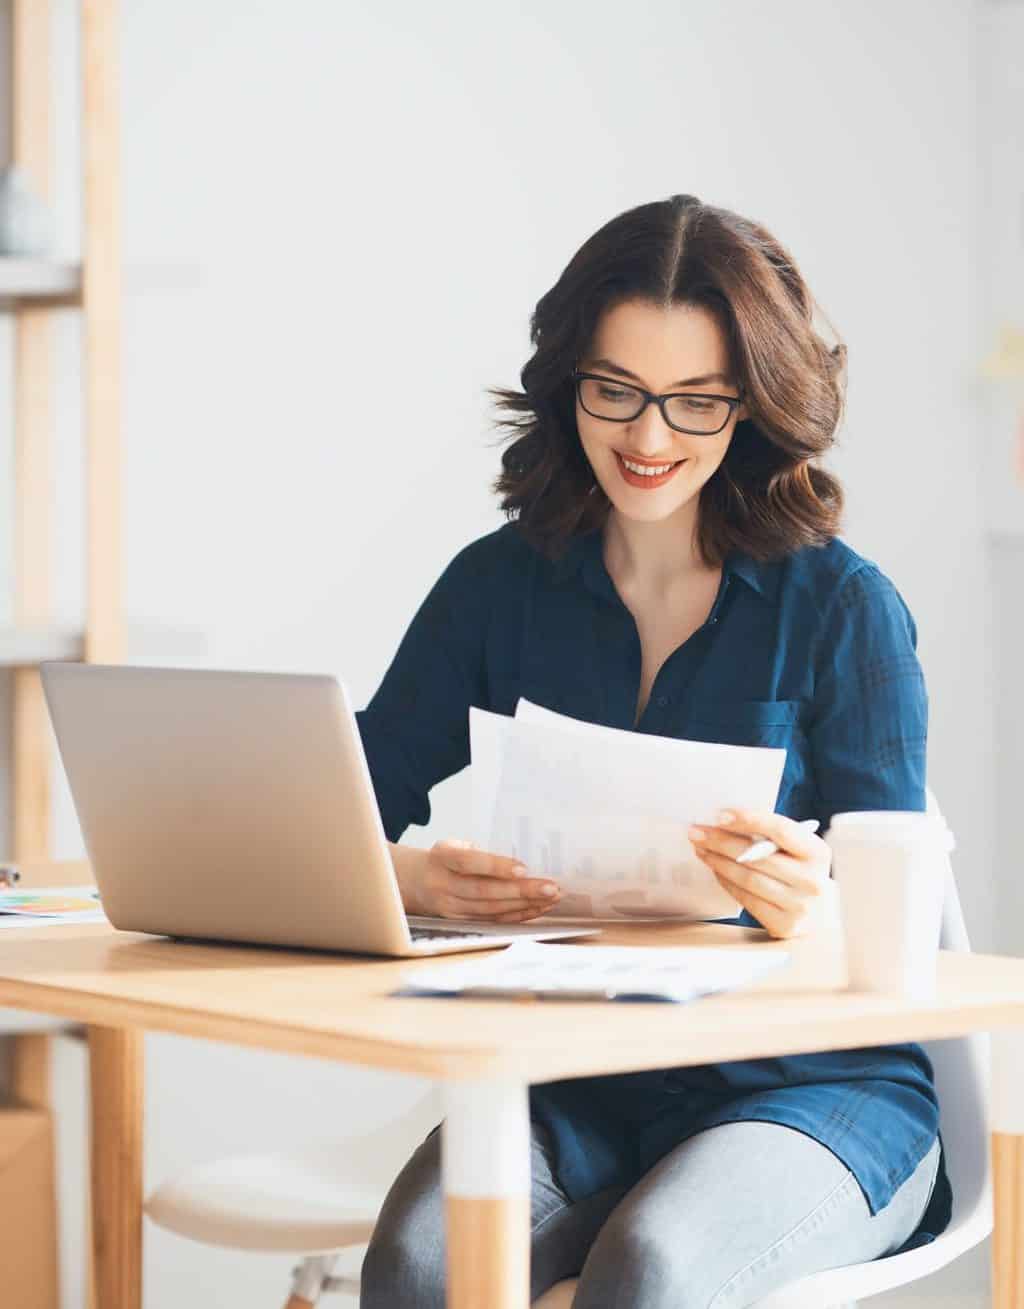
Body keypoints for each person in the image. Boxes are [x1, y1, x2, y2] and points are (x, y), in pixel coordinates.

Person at [355, 194, 951, 1308]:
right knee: (419, 1266)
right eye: (616, 391)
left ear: (753, 407)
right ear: (567, 382)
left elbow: (899, 937)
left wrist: (812, 903)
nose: (647, 437)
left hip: (815, 1089)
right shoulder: (500, 585)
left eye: (695, 402)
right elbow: (333, 808)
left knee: (651, 1269)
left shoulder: (842, 606)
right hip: (582, 1077)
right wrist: (411, 877)